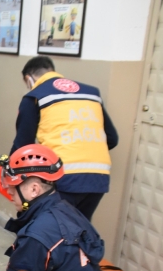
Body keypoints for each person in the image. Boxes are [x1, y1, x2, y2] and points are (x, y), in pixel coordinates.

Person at [11, 56, 118, 220]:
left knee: (51, 231)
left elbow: (23, 148)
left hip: (61, 177)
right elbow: (112, 138)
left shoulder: (34, 97)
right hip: (98, 177)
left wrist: (11, 175)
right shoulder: (92, 94)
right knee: (79, 230)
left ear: (28, 78)